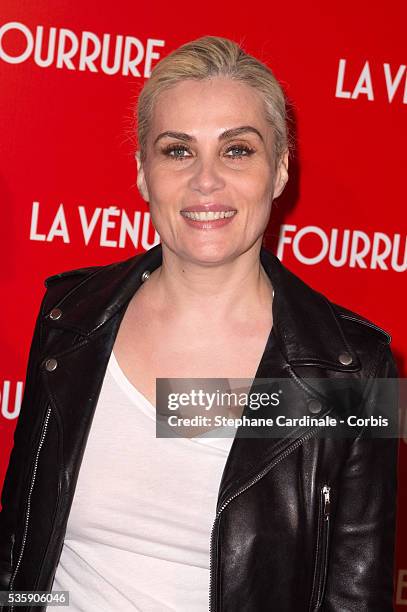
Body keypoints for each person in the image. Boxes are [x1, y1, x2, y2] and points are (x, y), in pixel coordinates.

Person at [0, 35, 399, 612]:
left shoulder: (357, 369)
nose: (205, 180)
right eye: (177, 150)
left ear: (280, 169)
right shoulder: (69, 315)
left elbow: (356, 596)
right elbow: (19, 540)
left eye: (237, 150)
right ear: (143, 173)